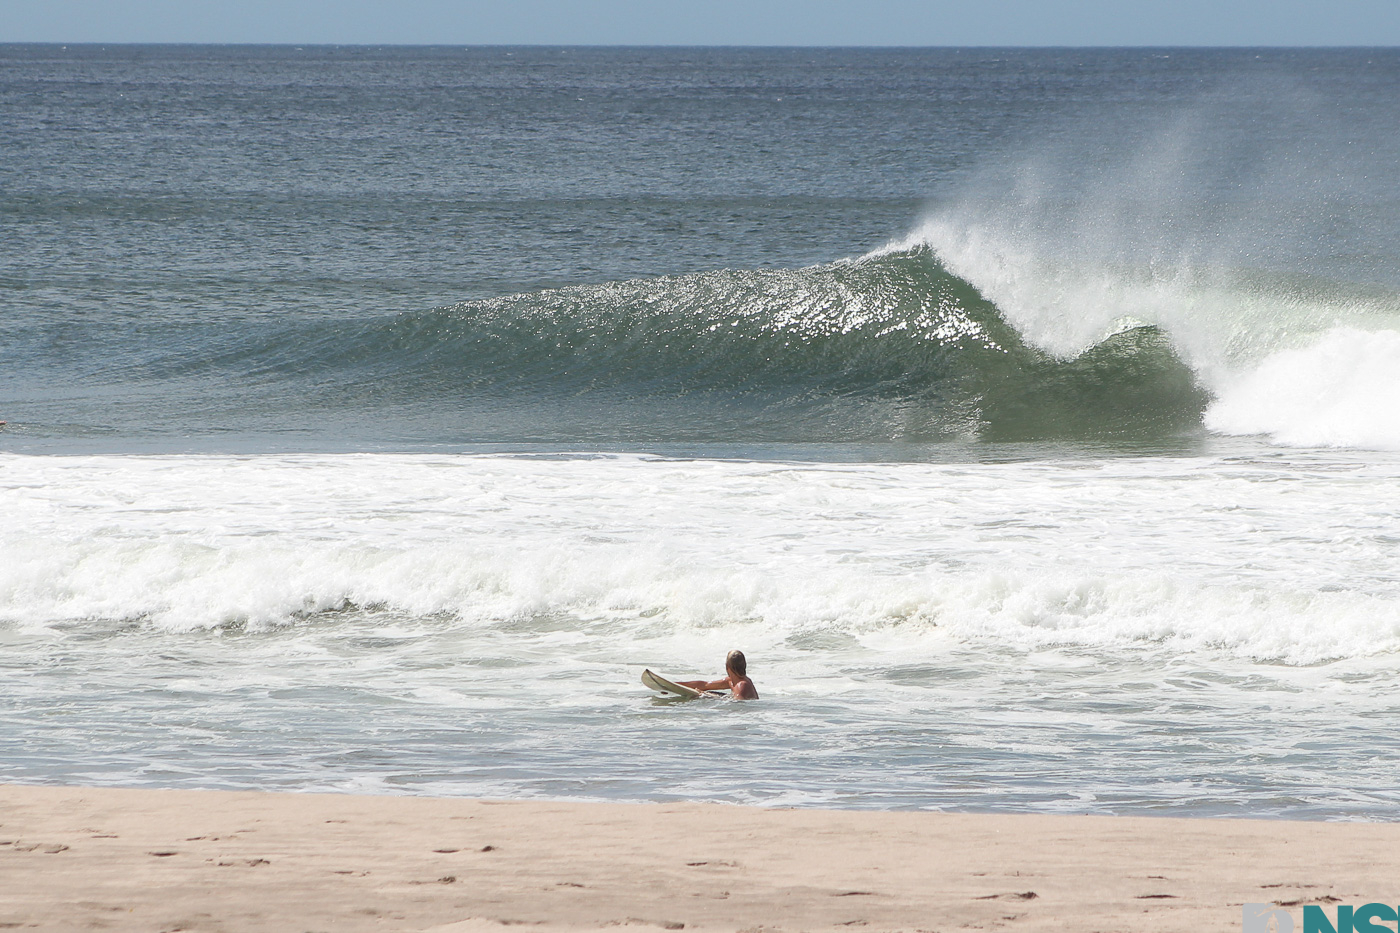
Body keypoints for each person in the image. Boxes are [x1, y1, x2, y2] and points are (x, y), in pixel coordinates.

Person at [679, 649, 759, 700]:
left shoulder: (742, 685)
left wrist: (707, 696)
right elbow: (705, 685)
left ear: (727, 667)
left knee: (705, 696)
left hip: (745, 717)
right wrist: (673, 685)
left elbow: (739, 705)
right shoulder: (731, 680)